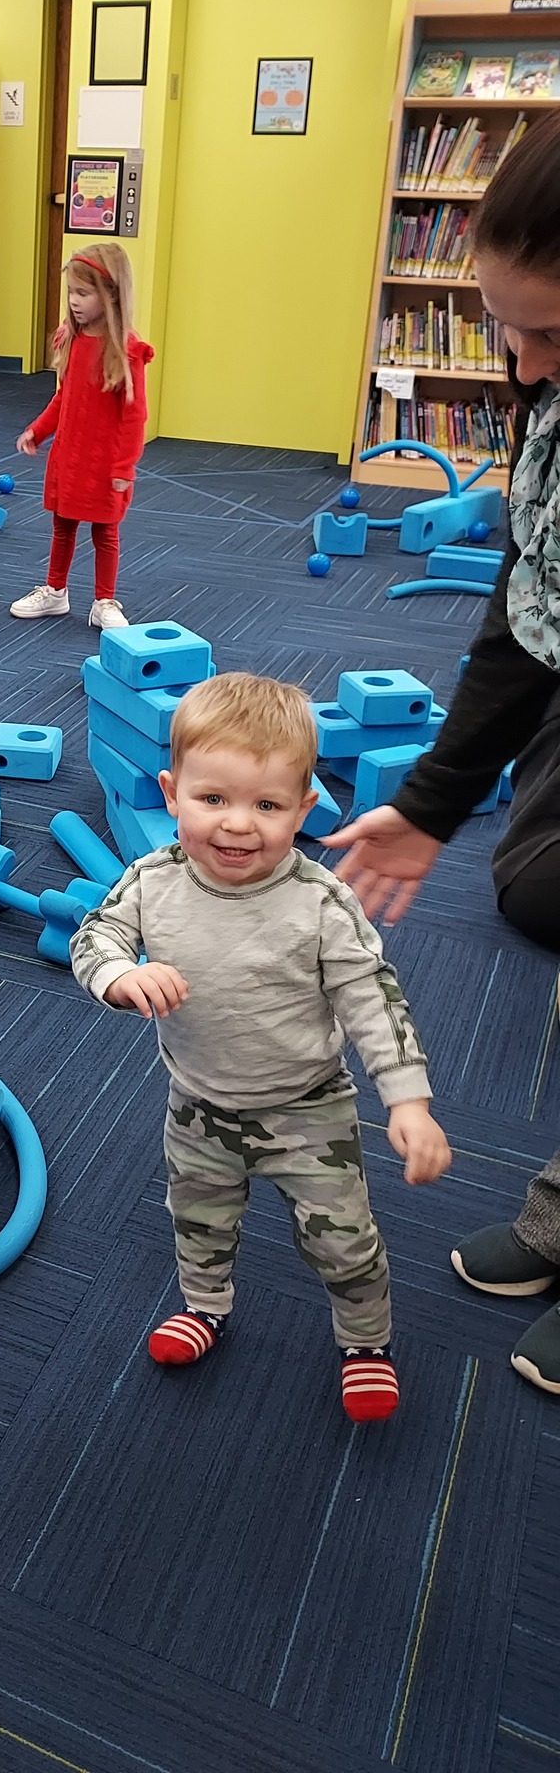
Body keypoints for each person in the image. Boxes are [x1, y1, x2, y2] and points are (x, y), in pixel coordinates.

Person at [323, 113, 560, 1398]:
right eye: (501, 326)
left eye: (553, 333)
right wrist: (428, 804)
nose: (520, 368)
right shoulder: (548, 417)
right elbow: (526, 611)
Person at [71, 673, 451, 1422]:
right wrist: (117, 974)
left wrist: (407, 1099)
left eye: (268, 806)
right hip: (198, 1104)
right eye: (213, 800)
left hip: (309, 1110)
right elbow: (97, 935)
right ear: (172, 791)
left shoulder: (320, 902)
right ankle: (205, 1306)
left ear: (304, 809)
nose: (238, 826)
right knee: (199, 1218)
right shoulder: (151, 878)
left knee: (344, 1241)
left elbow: (372, 997)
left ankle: (365, 1342)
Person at [10, 243, 152, 632]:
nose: (73, 301)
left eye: (83, 293)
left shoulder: (127, 351)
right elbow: (64, 399)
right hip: (70, 455)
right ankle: (55, 592)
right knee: (63, 524)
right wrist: (37, 430)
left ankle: (104, 600)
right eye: (71, 291)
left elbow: (134, 416)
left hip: (104, 462)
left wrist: (124, 465)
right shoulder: (71, 340)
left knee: (105, 531)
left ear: (111, 295)